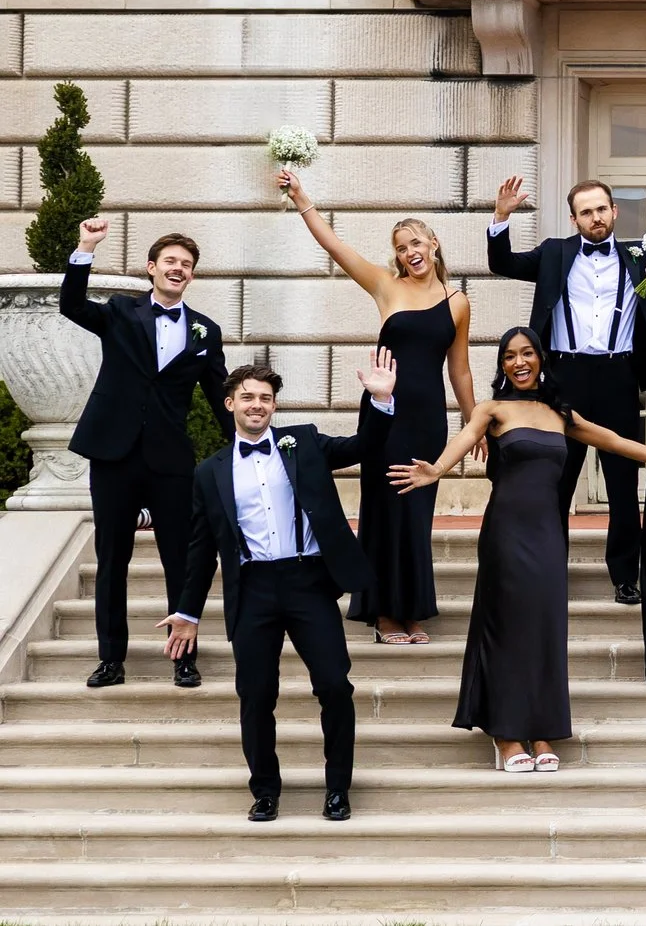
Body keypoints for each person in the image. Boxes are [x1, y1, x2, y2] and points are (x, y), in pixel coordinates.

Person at [391, 327, 646, 769]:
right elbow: (462, 442)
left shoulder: (561, 413)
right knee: (506, 627)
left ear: (541, 358)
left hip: (546, 534)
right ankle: (506, 735)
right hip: (506, 532)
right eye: (509, 356)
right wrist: (437, 470)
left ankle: (542, 732)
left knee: (545, 629)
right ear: (501, 365)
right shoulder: (492, 410)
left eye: (527, 354)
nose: (519, 362)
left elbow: (617, 442)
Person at [160, 357, 396, 823]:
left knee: (334, 684)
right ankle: (265, 790)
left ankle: (337, 789)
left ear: (274, 406)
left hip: (308, 581)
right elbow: (201, 549)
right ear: (229, 404)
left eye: (265, 398)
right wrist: (187, 611)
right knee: (256, 694)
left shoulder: (302, 442)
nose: (257, 405)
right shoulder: (209, 473)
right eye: (247, 396)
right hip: (253, 589)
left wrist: (381, 398)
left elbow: (363, 446)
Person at [487, 174, 646, 604]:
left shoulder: (640, 254)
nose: (595, 217)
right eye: (586, 212)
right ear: (575, 219)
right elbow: (504, 264)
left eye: (601, 209)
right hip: (562, 380)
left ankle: (626, 577)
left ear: (614, 211)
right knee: (556, 480)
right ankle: (548, 572)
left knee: (622, 485)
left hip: (618, 377)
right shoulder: (555, 252)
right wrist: (501, 217)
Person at [278, 169, 471, 646]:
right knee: (386, 508)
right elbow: (334, 246)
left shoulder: (458, 300)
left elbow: (460, 370)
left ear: (434, 243)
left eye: (416, 242)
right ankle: (384, 612)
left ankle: (412, 610)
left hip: (429, 421)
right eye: (402, 247)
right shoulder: (386, 285)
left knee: (417, 513)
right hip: (386, 413)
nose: (411, 252)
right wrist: (303, 196)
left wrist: (474, 423)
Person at [61, 217, 230, 691]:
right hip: (112, 453)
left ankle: (184, 657)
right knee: (112, 559)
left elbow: (220, 399)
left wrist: (248, 447)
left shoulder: (205, 331)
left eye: (187, 265)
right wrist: (85, 248)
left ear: (192, 276)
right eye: (171, 261)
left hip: (170, 460)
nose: (178, 269)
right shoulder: (119, 311)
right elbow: (72, 304)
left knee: (182, 559)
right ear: (152, 268)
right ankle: (111, 659)